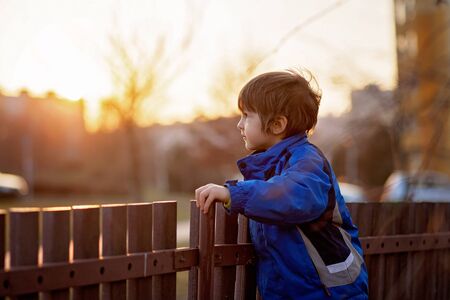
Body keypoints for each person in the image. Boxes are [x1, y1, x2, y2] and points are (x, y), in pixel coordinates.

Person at [195, 69, 368, 299]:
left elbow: (292, 196)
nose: (239, 124)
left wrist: (232, 194)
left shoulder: (307, 160)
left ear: (277, 125)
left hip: (329, 290)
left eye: (247, 116)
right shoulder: (268, 168)